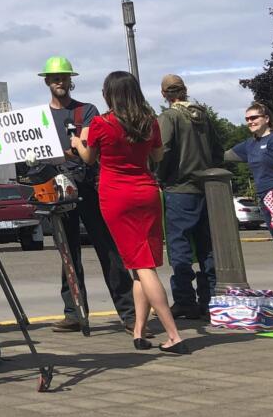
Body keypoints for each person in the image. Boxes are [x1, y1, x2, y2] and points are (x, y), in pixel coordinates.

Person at [73, 71, 188, 353]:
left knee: (141, 266)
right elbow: (158, 156)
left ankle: (173, 334)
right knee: (140, 262)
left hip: (116, 195)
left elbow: (89, 159)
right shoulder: (149, 122)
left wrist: (79, 142)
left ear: (108, 94)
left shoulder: (100, 123)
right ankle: (139, 330)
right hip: (147, 192)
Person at [38, 56, 136, 333]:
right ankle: (74, 312)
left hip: (88, 187)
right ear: (47, 81)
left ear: (71, 80)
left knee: (107, 249)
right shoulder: (41, 118)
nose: (60, 82)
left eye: (64, 77)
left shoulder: (86, 111)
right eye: (55, 78)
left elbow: (87, 150)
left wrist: (72, 151)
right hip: (57, 189)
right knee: (68, 253)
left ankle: (129, 314)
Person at [156, 73, 222, 318]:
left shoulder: (169, 117)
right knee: (207, 246)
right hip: (206, 188)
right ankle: (211, 298)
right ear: (185, 90)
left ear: (164, 94)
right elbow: (217, 151)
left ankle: (185, 299)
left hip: (179, 188)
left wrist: (160, 177)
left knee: (179, 247)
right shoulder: (203, 116)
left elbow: (162, 151)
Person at [223, 102, 273, 298]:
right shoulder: (250, 144)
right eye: (247, 119)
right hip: (265, 200)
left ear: (266, 118)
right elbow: (225, 155)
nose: (250, 122)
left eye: (254, 117)